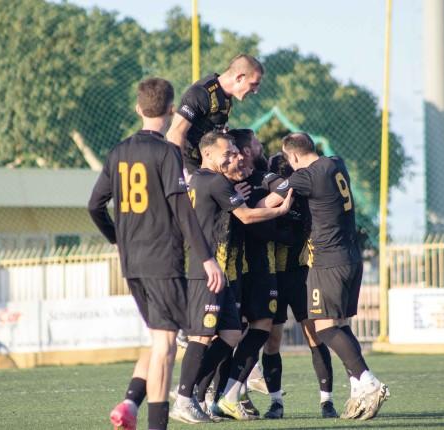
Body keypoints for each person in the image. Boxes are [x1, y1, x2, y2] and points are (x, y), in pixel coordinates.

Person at [88, 77, 224, 430]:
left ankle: (131, 402)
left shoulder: (117, 152)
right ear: (171, 110)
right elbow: (182, 209)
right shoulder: (166, 152)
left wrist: (117, 239)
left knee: (159, 336)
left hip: (132, 263)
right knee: (166, 343)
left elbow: (94, 206)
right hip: (161, 259)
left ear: (139, 109)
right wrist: (207, 257)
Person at [263, 132, 390, 420]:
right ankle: (358, 389)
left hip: (327, 261)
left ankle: (369, 381)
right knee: (341, 325)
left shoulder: (305, 177)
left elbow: (269, 202)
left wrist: (267, 182)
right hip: (351, 257)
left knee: (325, 329)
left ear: (294, 156)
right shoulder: (336, 163)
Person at [170, 131, 293, 423]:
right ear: (207, 154)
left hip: (217, 271)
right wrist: (282, 209)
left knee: (231, 334)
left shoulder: (201, 180)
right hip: (208, 270)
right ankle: (185, 399)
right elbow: (247, 216)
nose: (231, 158)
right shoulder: (214, 181)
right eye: (226, 153)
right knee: (203, 336)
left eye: (233, 152)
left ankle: (194, 394)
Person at [257, 152, 339, 420]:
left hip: (302, 275)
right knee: (272, 340)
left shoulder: (304, 197)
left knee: (314, 336)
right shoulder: (266, 198)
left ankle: (327, 401)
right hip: (274, 277)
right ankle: (276, 402)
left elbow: (302, 232)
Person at [166, 54, 264, 174]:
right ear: (239, 78)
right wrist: (182, 173)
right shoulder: (201, 93)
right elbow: (175, 133)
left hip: (207, 166)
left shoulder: (225, 97)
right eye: (253, 84)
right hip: (189, 166)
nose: (255, 91)